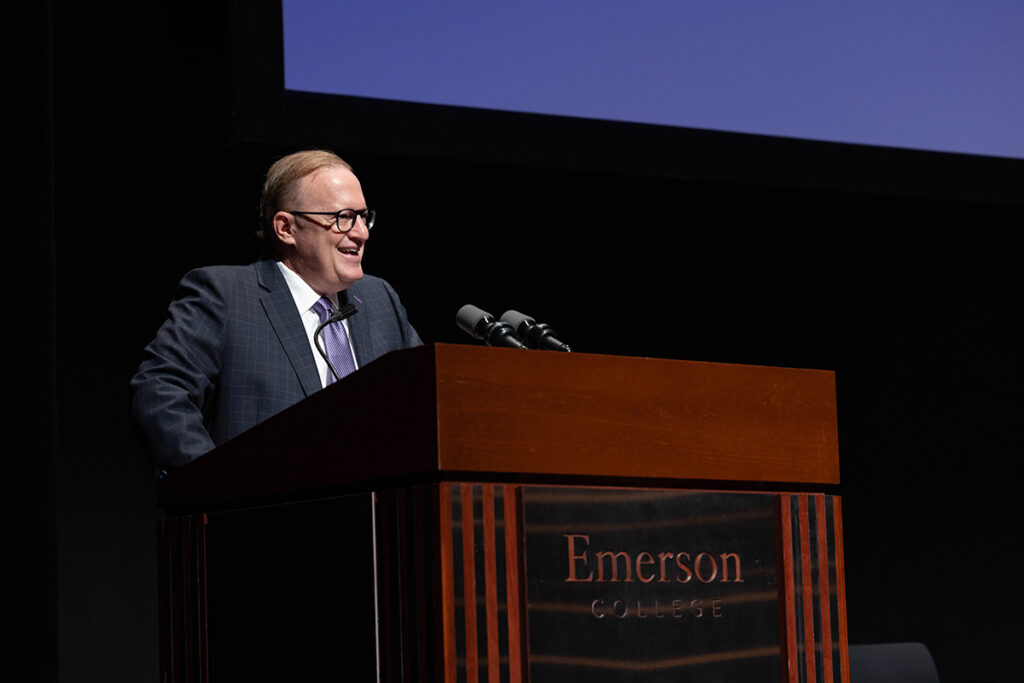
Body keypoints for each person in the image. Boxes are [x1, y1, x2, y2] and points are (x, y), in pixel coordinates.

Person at [131, 150, 422, 474]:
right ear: (286, 228)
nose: (361, 232)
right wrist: (213, 485)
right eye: (342, 217)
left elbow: (427, 399)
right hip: (266, 515)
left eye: (363, 217)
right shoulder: (226, 295)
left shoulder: (379, 298)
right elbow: (161, 390)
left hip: (381, 512)